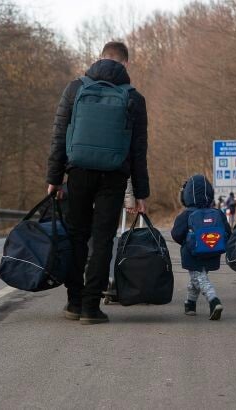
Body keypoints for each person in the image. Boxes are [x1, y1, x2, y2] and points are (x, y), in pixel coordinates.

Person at [47, 41, 149, 325]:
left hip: (78, 171)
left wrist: (54, 178)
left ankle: (74, 302)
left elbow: (59, 135)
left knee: (76, 235)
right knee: (103, 239)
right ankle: (91, 307)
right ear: (125, 63)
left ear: (100, 58)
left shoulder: (75, 88)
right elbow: (138, 151)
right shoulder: (134, 98)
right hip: (114, 176)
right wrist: (141, 193)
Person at [171, 175, 230, 320]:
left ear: (186, 195)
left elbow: (176, 234)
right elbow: (228, 233)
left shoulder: (186, 215)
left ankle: (213, 300)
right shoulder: (217, 214)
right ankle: (190, 304)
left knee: (199, 277)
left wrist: (186, 242)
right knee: (198, 277)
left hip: (192, 254)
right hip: (212, 252)